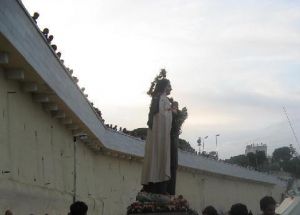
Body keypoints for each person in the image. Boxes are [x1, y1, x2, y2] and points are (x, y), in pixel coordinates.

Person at [141, 69, 174, 194]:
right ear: (165, 86)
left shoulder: (162, 98)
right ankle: (155, 182)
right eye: (169, 86)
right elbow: (160, 115)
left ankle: (159, 182)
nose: (171, 88)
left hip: (163, 134)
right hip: (159, 134)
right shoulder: (159, 98)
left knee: (160, 157)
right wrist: (171, 111)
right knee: (157, 156)